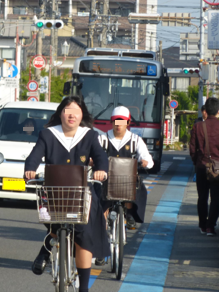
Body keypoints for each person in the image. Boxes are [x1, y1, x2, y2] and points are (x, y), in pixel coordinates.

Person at [24, 96, 109, 292]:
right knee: (53, 219)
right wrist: (30, 168)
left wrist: (101, 170)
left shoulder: (89, 135)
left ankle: (84, 288)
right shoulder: (47, 134)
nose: (72, 115)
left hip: (82, 192)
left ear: (82, 116)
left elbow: (100, 157)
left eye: (76, 111)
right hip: (55, 190)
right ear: (61, 113)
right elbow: (35, 155)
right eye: (67, 110)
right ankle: (45, 250)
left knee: (85, 235)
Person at [93, 106, 153, 265]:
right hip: (107, 181)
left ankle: (129, 212)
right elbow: (93, 156)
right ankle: (101, 241)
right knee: (100, 208)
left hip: (127, 181)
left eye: (122, 121)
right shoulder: (102, 139)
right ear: (111, 122)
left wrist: (145, 162)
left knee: (138, 188)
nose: (118, 124)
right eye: (115, 121)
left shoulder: (135, 140)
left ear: (128, 122)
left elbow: (147, 157)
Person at [190, 98, 219, 236]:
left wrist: (197, 162)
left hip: (202, 166)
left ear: (206, 111)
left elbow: (192, 149)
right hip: (218, 168)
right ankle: (210, 227)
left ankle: (202, 225)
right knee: (216, 198)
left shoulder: (197, 127)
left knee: (202, 197)